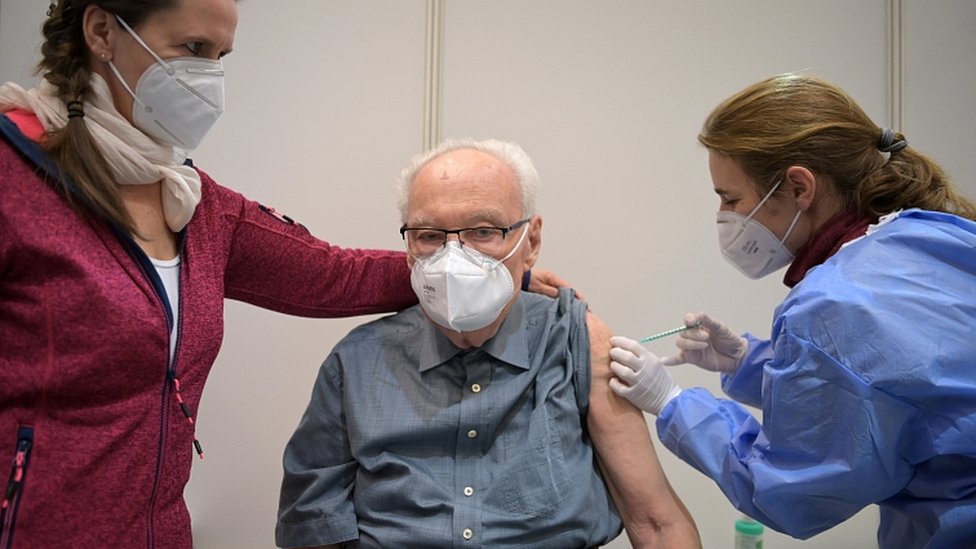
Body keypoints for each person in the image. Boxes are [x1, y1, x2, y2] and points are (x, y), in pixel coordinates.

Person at [0, 2, 564, 547]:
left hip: (159, 532)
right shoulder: (15, 179)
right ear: (102, 31)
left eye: (221, 55)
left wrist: (470, 267)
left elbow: (329, 275)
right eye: (193, 48)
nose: (209, 77)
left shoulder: (196, 206)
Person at [607, 72, 976, 549]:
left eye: (731, 198)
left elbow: (790, 491)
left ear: (800, 187)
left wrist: (673, 403)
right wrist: (748, 361)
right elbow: (894, 391)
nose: (726, 217)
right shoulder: (935, 234)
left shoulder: (833, 304)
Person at [275, 138, 700, 549]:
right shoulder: (357, 363)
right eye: (429, 236)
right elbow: (313, 530)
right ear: (407, 245)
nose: (453, 260)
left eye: (483, 231)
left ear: (530, 242)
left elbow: (658, 525)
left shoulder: (576, 340)